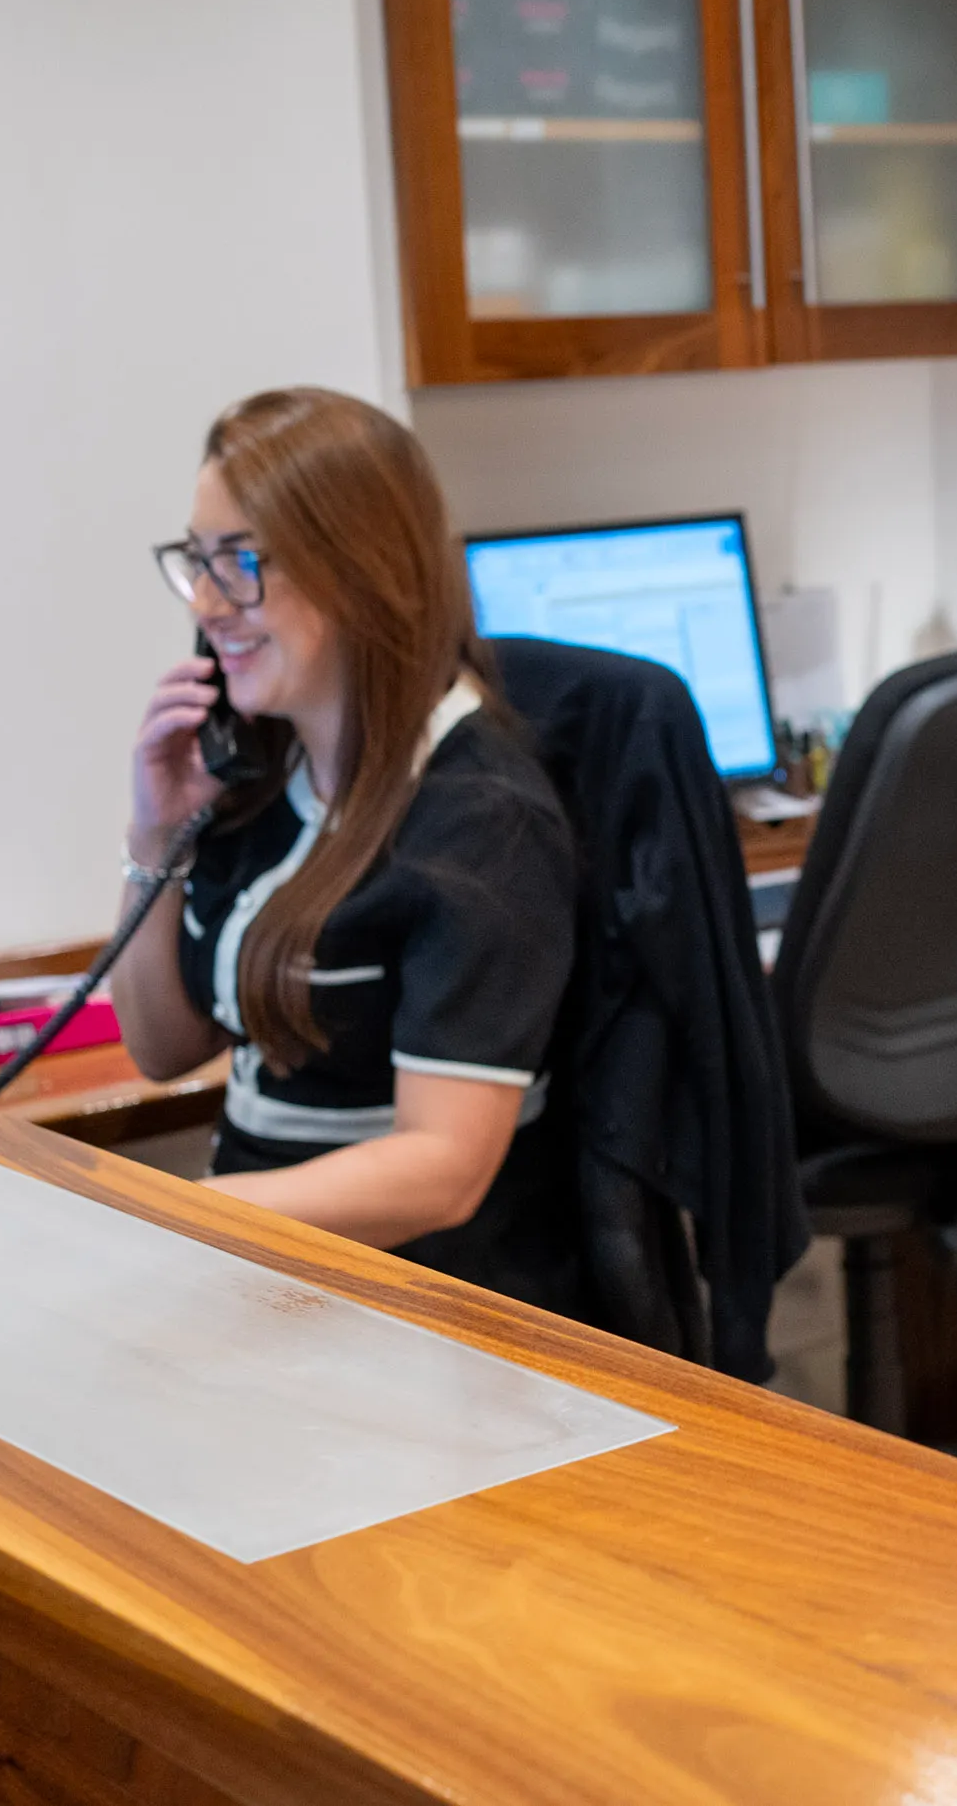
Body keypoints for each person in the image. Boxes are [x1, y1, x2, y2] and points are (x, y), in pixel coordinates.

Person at [111, 386, 581, 1307]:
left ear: (363, 570)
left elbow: (444, 1167)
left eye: (241, 561)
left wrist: (190, 1217)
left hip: (423, 1309)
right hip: (274, 1273)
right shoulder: (259, 775)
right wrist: (155, 836)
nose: (207, 602)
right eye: (197, 561)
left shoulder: (481, 819)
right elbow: (162, 1048)